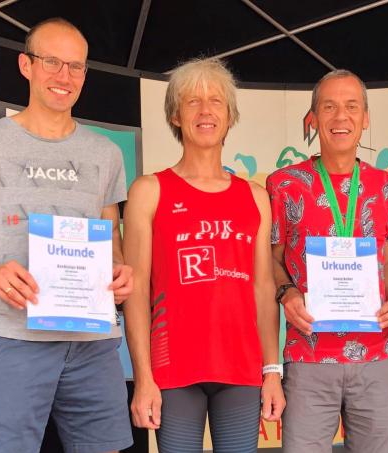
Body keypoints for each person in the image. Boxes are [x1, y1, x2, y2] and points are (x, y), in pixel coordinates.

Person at [0, 18, 134, 453]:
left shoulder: (106, 153)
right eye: (52, 61)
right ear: (25, 65)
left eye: (76, 66)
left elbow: (110, 234)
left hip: (93, 344)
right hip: (14, 337)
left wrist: (118, 270)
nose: (64, 76)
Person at [122, 57, 285, 453]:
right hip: (173, 370)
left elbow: (264, 290)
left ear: (230, 117)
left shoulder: (256, 198)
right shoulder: (149, 190)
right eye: (192, 102)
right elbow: (136, 290)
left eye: (216, 101)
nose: (205, 110)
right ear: (176, 116)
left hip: (242, 370)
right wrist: (143, 376)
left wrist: (272, 370)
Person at [266, 69, 388, 453]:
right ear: (313, 118)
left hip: (377, 352)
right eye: (328, 107)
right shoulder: (283, 184)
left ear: (365, 118)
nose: (340, 117)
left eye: (351, 107)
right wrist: (286, 292)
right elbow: (272, 257)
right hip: (308, 352)